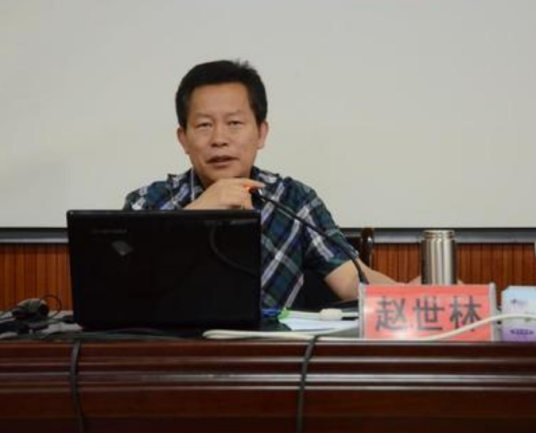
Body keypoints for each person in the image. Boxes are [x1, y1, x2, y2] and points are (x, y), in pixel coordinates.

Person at [123, 59, 396, 309]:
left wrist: (413, 295)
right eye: (204, 125)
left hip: (272, 347)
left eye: (234, 123)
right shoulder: (148, 203)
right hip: (174, 347)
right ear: (183, 139)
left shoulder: (293, 200)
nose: (219, 139)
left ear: (261, 133)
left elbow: (351, 279)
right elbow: (125, 288)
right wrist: (194, 216)